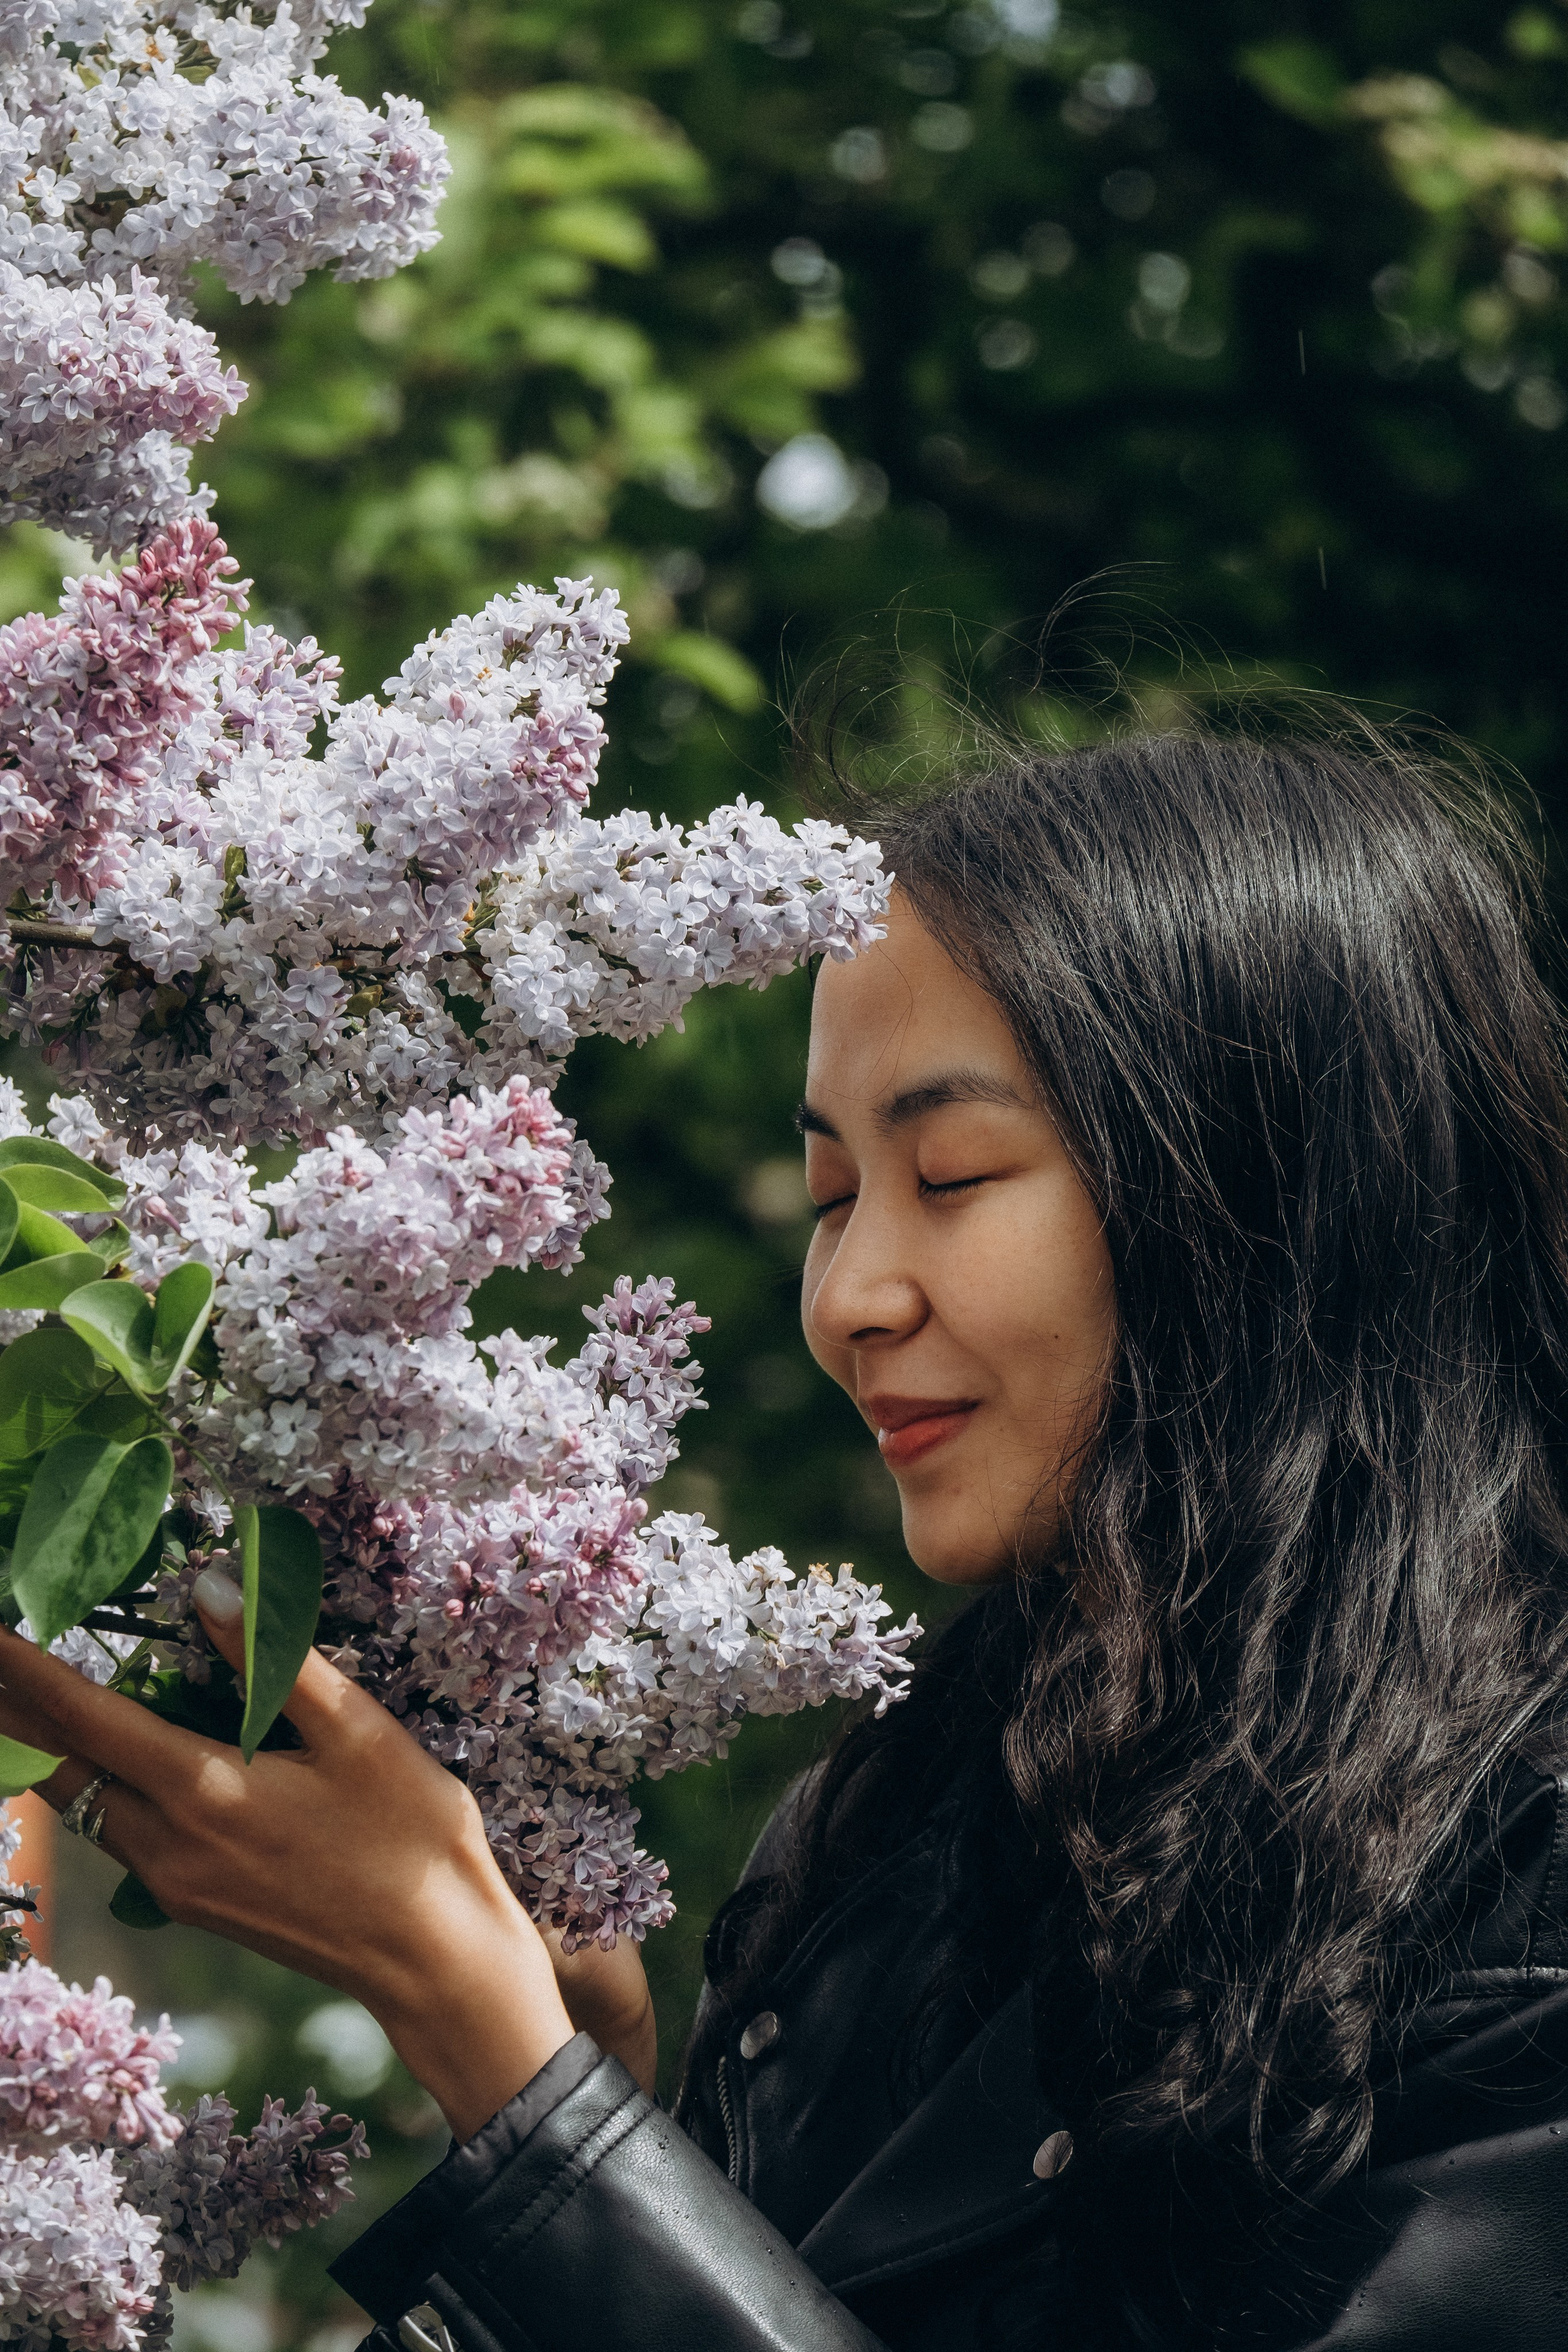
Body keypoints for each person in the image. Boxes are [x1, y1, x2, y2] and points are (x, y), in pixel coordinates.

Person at [6, 728, 1568, 2350]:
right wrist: (590, 2093)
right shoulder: (899, 1820)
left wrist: (495, 2053)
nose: (847, 1300)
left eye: (952, 1174)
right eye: (833, 1195)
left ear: (1263, 1196)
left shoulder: (1526, 1897)